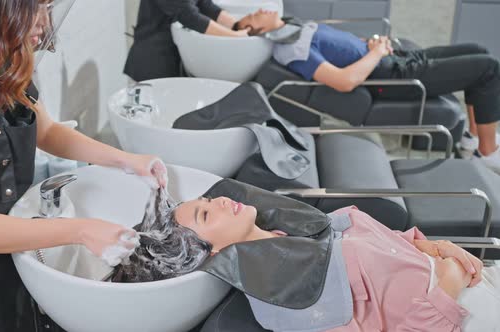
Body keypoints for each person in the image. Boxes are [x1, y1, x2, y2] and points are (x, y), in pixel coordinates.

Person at [0, 1, 168, 330]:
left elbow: (46, 131)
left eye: (47, 8)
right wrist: (79, 230)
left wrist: (128, 161)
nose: (42, 24)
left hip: (11, 250)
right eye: (35, 9)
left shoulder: (1, 59)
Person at [114, 191, 500, 331]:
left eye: (204, 201)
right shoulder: (288, 301)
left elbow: (384, 251)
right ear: (209, 253)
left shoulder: (291, 230)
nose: (217, 202)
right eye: (204, 215)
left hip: (479, 277)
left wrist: (435, 248)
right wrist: (446, 283)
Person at [232, 10, 500, 174]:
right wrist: (377, 52)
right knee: (488, 68)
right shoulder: (291, 48)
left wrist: (371, 44)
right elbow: (344, 81)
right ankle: (487, 153)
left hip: (394, 57)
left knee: (480, 51)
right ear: (255, 30)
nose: (262, 9)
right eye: (254, 15)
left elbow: (341, 49)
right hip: (393, 74)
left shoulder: (291, 28)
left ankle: (471, 141)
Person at [124, 0, 251, 82]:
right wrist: (234, 36)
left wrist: (237, 25)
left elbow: (203, 4)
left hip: (177, 53)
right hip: (154, 59)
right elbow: (188, 15)